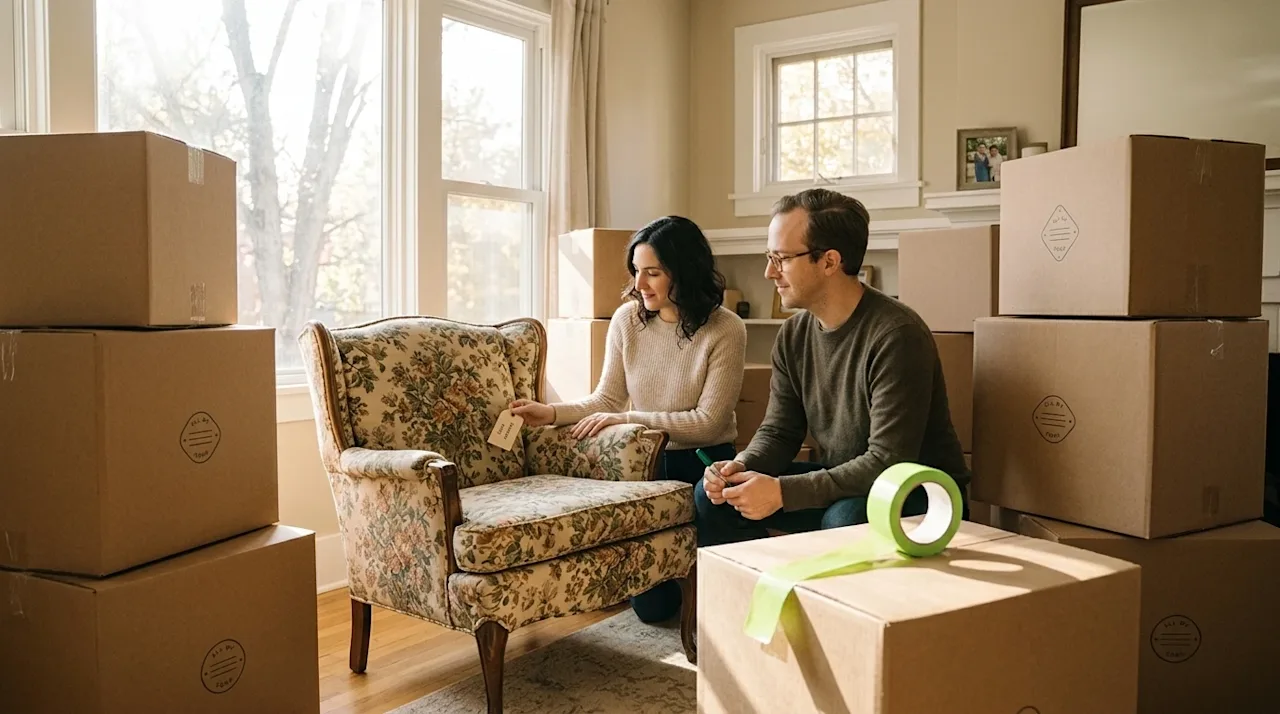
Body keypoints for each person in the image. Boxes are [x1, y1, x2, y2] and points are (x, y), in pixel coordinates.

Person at [695, 188, 970, 546]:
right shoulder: (794, 334)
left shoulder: (897, 334)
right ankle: (765, 594)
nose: (768, 272)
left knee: (846, 518)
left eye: (781, 258)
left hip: (920, 491)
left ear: (829, 262)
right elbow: (780, 432)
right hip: (847, 483)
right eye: (769, 257)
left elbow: (887, 461)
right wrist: (744, 466)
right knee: (714, 499)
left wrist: (782, 492)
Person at [511, 215, 747, 622]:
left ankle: (724, 592)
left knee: (714, 596)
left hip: (706, 462)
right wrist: (549, 412)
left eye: (653, 273)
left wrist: (631, 420)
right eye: (637, 272)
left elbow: (708, 421)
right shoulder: (627, 321)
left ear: (685, 271)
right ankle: (683, 580)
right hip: (644, 466)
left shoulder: (726, 328)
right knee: (651, 611)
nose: (640, 285)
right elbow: (606, 398)